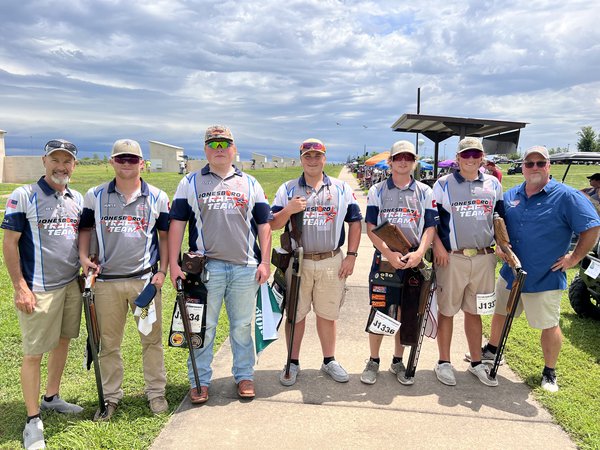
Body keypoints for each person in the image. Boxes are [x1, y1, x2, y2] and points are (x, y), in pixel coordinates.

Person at [476, 146, 600, 392]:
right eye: (529, 163)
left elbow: (592, 227)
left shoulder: (567, 196)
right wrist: (500, 246)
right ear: (522, 166)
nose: (534, 167)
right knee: (501, 312)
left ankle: (549, 372)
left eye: (540, 163)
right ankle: (492, 350)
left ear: (548, 166)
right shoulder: (511, 195)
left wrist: (574, 258)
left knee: (549, 324)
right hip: (510, 274)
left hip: (545, 275)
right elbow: (498, 227)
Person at [169, 125, 271, 403]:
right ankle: (199, 381)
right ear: (205, 150)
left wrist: (265, 261)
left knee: (241, 326)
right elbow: (177, 224)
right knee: (204, 326)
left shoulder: (250, 184)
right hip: (205, 270)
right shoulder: (189, 182)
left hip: (245, 267)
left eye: (225, 144)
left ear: (234, 149)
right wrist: (173, 264)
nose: (219, 150)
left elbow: (264, 225)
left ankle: (244, 376)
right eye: (213, 145)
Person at [78, 139, 170, 420]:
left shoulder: (157, 196)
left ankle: (156, 393)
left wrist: (162, 271)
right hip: (106, 285)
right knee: (108, 343)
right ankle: (111, 397)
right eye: (121, 159)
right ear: (112, 162)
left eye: (133, 159)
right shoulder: (94, 195)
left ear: (142, 163)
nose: (127, 164)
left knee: (150, 340)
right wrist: (83, 256)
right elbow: (85, 229)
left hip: (143, 285)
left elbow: (164, 238)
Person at [2, 139, 84, 450]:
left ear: (74, 165)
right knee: (34, 353)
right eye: (56, 160)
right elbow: (10, 244)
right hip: (38, 288)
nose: (61, 166)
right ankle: (33, 419)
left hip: (69, 285)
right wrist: (20, 286)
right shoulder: (24, 195)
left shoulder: (75, 198)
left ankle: (51, 398)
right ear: (44, 161)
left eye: (67, 161)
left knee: (63, 341)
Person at [270, 138, 362, 386]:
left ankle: (329, 359)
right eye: (307, 155)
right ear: (301, 158)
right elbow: (272, 223)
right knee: (295, 315)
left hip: (331, 260)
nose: (312, 160)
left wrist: (351, 255)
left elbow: (355, 222)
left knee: (328, 314)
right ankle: (293, 360)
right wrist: (288, 210)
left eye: (317, 155)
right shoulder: (287, 189)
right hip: (298, 261)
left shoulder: (341, 189)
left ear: (325, 158)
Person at [360, 141, 437, 385]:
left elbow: (430, 227)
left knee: (407, 312)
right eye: (398, 157)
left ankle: (397, 360)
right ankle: (373, 360)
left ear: (414, 162)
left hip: (413, 259)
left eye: (408, 158)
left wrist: (420, 253)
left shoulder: (425, 192)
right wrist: (389, 253)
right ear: (391, 162)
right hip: (386, 259)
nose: (403, 162)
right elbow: (371, 228)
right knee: (381, 309)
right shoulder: (378, 190)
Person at [432, 137, 504, 387]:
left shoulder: (494, 183)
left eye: (476, 154)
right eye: (466, 155)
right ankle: (443, 362)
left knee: (475, 312)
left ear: (482, 157)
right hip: (453, 257)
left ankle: (475, 362)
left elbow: (499, 218)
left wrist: (504, 246)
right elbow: (432, 222)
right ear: (458, 158)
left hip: (484, 257)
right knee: (447, 310)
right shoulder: (443, 184)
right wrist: (438, 247)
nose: (471, 159)